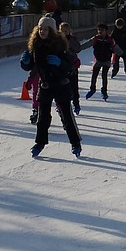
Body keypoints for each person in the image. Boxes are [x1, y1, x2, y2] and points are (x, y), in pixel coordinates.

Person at [20, 16, 82, 158]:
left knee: (67, 116)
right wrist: (25, 62)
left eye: (45, 29)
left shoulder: (60, 45)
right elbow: (31, 67)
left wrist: (59, 62)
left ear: (52, 31)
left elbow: (69, 65)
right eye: (40, 29)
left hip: (61, 84)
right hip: (45, 85)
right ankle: (39, 143)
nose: (42, 31)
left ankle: (75, 143)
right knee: (43, 117)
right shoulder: (36, 45)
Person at [86, 23, 121, 101]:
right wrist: (78, 48)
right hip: (98, 60)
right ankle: (92, 89)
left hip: (107, 60)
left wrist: (123, 54)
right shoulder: (95, 39)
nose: (100, 31)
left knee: (104, 76)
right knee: (94, 75)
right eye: (99, 30)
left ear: (106, 31)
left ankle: (104, 91)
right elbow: (86, 44)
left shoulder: (110, 40)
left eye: (102, 30)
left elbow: (116, 48)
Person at [60, 21, 83, 115]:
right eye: (62, 31)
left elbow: (78, 49)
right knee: (65, 87)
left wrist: (71, 44)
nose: (64, 33)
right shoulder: (59, 40)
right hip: (63, 67)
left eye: (66, 31)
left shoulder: (73, 39)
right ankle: (66, 104)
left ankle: (76, 103)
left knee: (74, 86)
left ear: (69, 31)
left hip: (73, 66)